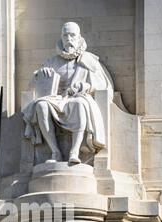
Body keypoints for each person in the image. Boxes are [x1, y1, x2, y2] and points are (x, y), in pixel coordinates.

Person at [23, 22, 114, 165]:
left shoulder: (88, 60)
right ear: (61, 37)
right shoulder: (52, 61)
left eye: (72, 35)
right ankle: (55, 152)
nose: (69, 39)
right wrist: (39, 74)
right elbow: (32, 85)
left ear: (79, 38)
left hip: (78, 97)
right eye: (65, 35)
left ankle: (74, 152)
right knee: (41, 105)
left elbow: (103, 85)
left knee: (80, 103)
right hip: (57, 100)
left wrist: (87, 86)